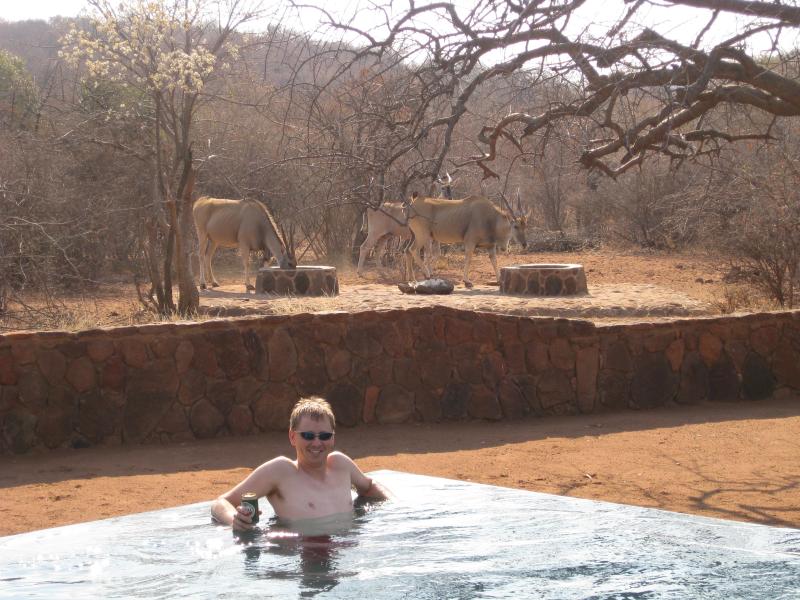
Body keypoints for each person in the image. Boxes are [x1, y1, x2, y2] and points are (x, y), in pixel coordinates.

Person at [211, 397, 390, 531]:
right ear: (292, 437)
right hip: (302, 555)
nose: (317, 443)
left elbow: (369, 486)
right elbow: (221, 503)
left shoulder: (341, 465)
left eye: (325, 436)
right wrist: (234, 519)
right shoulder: (281, 471)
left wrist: (397, 508)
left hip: (346, 556)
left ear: (333, 438)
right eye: (308, 435)